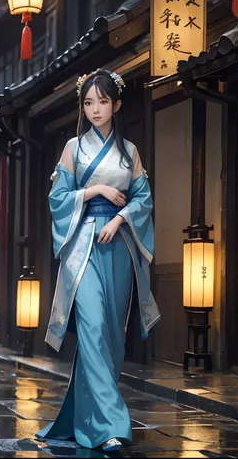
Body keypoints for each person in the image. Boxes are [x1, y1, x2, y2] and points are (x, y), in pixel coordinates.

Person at [37, 69, 160, 452]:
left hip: (119, 246)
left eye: (102, 102)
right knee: (90, 327)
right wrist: (94, 191)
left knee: (110, 335)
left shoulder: (130, 153)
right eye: (88, 102)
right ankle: (112, 425)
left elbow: (144, 199)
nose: (94, 109)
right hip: (84, 246)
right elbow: (58, 198)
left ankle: (87, 421)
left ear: (116, 105)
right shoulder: (73, 148)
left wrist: (122, 217)